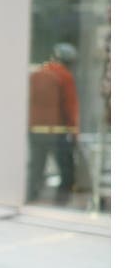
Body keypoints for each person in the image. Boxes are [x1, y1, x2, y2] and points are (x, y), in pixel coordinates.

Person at [27, 42, 80, 204]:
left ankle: (31, 197)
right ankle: (61, 202)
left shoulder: (36, 74)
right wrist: (74, 132)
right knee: (66, 170)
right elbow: (70, 106)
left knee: (36, 168)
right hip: (57, 131)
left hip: (35, 130)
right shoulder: (65, 76)